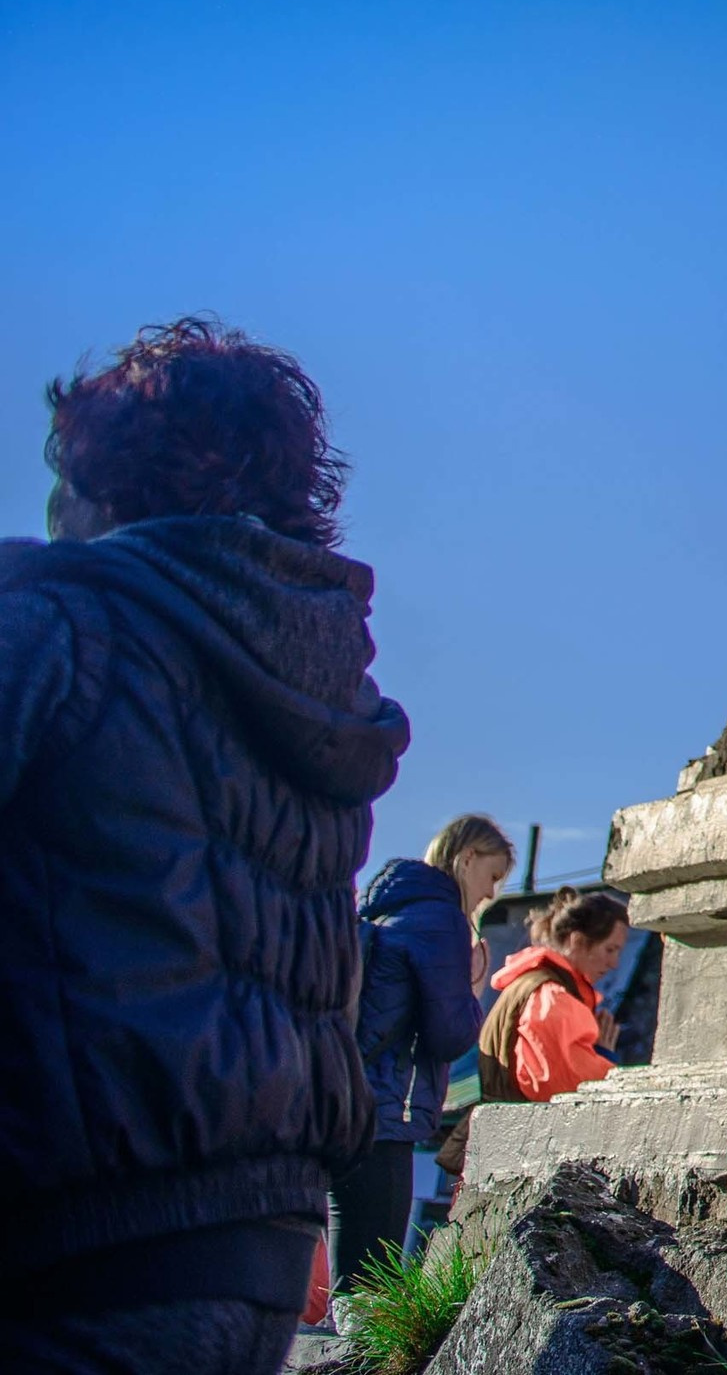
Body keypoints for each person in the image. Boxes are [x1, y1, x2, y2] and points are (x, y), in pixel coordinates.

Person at [0, 319, 410, 1375]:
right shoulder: (318, 677)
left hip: (71, 1240)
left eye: (67, 481)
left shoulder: (65, 625)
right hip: (252, 1249)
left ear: (108, 486)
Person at [333, 814, 515, 1290]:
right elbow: (449, 1035)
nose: (492, 893)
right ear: (467, 857)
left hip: (346, 1096)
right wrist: (474, 992)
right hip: (389, 1109)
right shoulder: (442, 921)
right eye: (492, 875)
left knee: (346, 1264)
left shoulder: (387, 909)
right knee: (372, 1277)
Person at [480, 888, 629, 1106]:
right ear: (577, 941)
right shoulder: (552, 997)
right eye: (610, 950)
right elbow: (560, 1083)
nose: (614, 963)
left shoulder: (542, 986)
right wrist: (604, 1059)